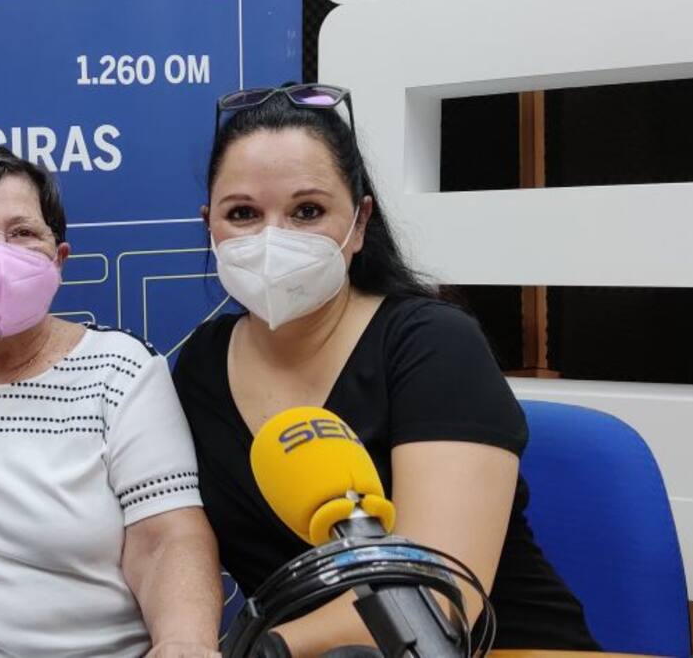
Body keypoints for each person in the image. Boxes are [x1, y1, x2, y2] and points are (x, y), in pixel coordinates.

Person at [172, 84, 600, 655]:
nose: (273, 238)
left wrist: (251, 650)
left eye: (308, 211)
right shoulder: (200, 364)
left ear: (360, 221)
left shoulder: (431, 343)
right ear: (210, 226)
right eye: (243, 213)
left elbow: (439, 600)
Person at [0, 146, 222, 658]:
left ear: (60, 259)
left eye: (24, 232)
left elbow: (167, 536)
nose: (0, 254)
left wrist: (183, 641)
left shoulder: (121, 369)